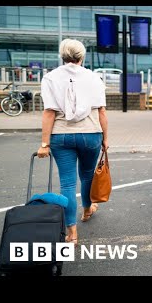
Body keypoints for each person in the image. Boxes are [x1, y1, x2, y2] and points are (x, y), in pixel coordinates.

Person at [38, 38, 108, 246]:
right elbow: (101, 111)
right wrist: (105, 139)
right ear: (82, 56)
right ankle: (87, 210)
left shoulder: (50, 78)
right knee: (87, 176)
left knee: (67, 183)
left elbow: (49, 112)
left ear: (62, 56)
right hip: (91, 133)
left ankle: (72, 233)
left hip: (61, 135)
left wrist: (44, 144)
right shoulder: (94, 78)